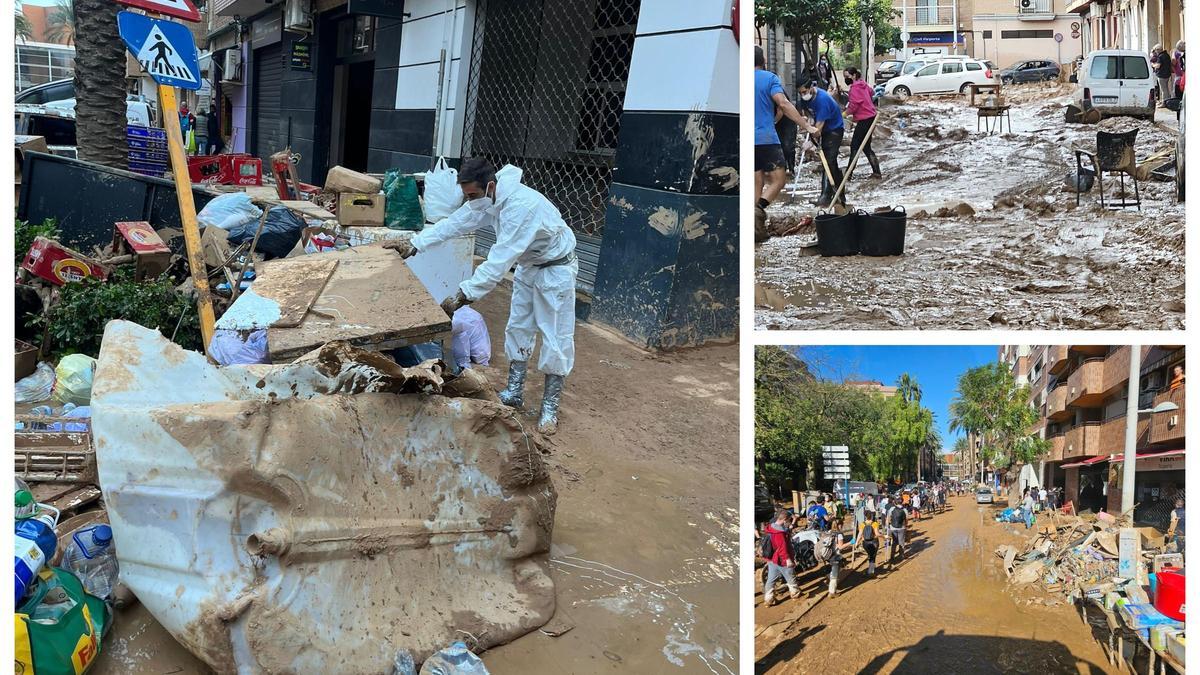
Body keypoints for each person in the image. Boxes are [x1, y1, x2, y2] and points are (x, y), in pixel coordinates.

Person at [383, 158, 577, 434]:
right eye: (466, 195)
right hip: (528, 267)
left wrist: (463, 295)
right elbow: (456, 222)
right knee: (518, 326)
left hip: (555, 270)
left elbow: (499, 261)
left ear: (490, 186)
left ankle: (549, 408)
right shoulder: (489, 199)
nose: (470, 200)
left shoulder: (521, 207)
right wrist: (414, 244)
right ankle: (514, 392)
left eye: (472, 195)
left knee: (555, 334)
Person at [754, 46, 809, 237]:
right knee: (779, 180)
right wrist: (806, 125)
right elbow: (783, 104)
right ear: (764, 61)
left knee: (757, 182)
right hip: (765, 138)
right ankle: (758, 210)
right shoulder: (769, 78)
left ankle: (755, 230)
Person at [795, 77, 846, 208]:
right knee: (831, 163)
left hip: (834, 130)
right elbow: (808, 114)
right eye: (800, 93)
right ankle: (840, 195)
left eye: (804, 92)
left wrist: (811, 142)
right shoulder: (806, 99)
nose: (803, 95)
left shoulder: (822, 100)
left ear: (811, 88)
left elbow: (817, 131)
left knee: (828, 161)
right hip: (823, 129)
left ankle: (825, 197)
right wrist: (808, 122)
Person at [842, 67, 882, 179]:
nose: (846, 79)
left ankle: (849, 173)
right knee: (866, 146)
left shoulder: (854, 88)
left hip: (865, 119)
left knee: (855, 145)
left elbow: (854, 105)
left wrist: (845, 113)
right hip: (871, 117)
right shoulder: (862, 84)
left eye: (847, 76)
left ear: (854, 75)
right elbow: (871, 92)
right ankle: (876, 172)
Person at [762, 510, 801, 606]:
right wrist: (788, 560)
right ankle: (795, 594)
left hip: (771, 559)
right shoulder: (779, 534)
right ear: (784, 520)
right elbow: (782, 548)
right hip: (781, 560)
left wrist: (790, 527)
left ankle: (768, 600)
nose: (789, 522)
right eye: (789, 520)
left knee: (771, 579)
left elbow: (783, 533)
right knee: (791, 577)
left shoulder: (771, 527)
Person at [858, 509, 882, 575]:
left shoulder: (862, 524)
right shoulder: (875, 524)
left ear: (865, 516)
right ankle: (871, 570)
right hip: (874, 542)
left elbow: (860, 534)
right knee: (873, 556)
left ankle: (872, 568)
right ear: (871, 516)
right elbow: (877, 534)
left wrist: (857, 542)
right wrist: (884, 536)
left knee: (870, 555)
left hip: (865, 542)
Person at [886, 498, 907, 563]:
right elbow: (906, 520)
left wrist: (888, 526)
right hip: (902, 528)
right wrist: (906, 526)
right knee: (901, 542)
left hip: (893, 527)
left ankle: (892, 556)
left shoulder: (892, 509)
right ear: (902, 502)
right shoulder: (904, 510)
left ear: (896, 502)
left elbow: (888, 518)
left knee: (894, 542)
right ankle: (901, 556)